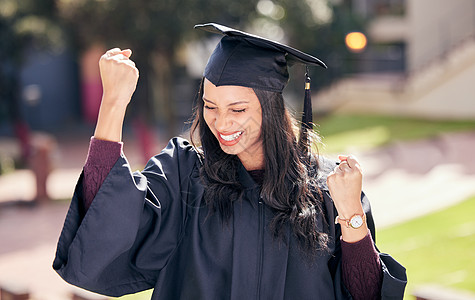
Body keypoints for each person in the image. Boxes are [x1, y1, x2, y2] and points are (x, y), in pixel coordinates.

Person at [53, 23, 407, 299]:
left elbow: (365, 294)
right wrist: (113, 104)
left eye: (238, 109)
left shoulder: (326, 186)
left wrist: (350, 215)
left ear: (270, 108)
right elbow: (105, 229)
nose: (222, 123)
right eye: (210, 106)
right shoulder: (185, 175)